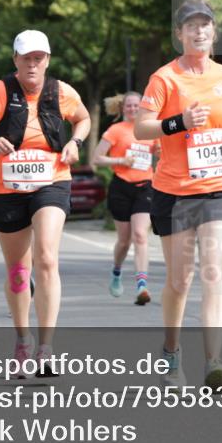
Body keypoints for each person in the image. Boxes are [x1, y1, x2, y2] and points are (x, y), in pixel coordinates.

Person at [134, 0, 222, 391]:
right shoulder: (164, 78)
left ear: (213, 33)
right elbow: (141, 129)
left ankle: (214, 362)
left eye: (206, 25)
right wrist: (179, 122)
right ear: (180, 34)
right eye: (191, 26)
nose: (199, 31)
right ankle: (171, 354)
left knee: (214, 271)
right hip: (174, 191)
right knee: (180, 280)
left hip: (220, 186)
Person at [0, 29, 90, 377]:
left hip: (52, 180)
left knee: (46, 256)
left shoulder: (61, 91)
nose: (33, 64)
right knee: (19, 272)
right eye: (26, 58)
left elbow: (84, 118)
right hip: (7, 187)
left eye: (39, 58)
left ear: (47, 60)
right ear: (15, 59)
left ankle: (46, 348)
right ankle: (22, 340)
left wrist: (75, 141)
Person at [91, 92, 156, 305]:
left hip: (145, 186)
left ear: (142, 107)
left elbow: (163, 155)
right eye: (129, 106)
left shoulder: (150, 130)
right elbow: (97, 158)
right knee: (124, 241)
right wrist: (121, 160)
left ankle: (142, 286)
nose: (133, 109)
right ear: (122, 108)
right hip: (121, 187)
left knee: (140, 235)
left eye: (137, 105)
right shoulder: (115, 130)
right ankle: (117, 271)